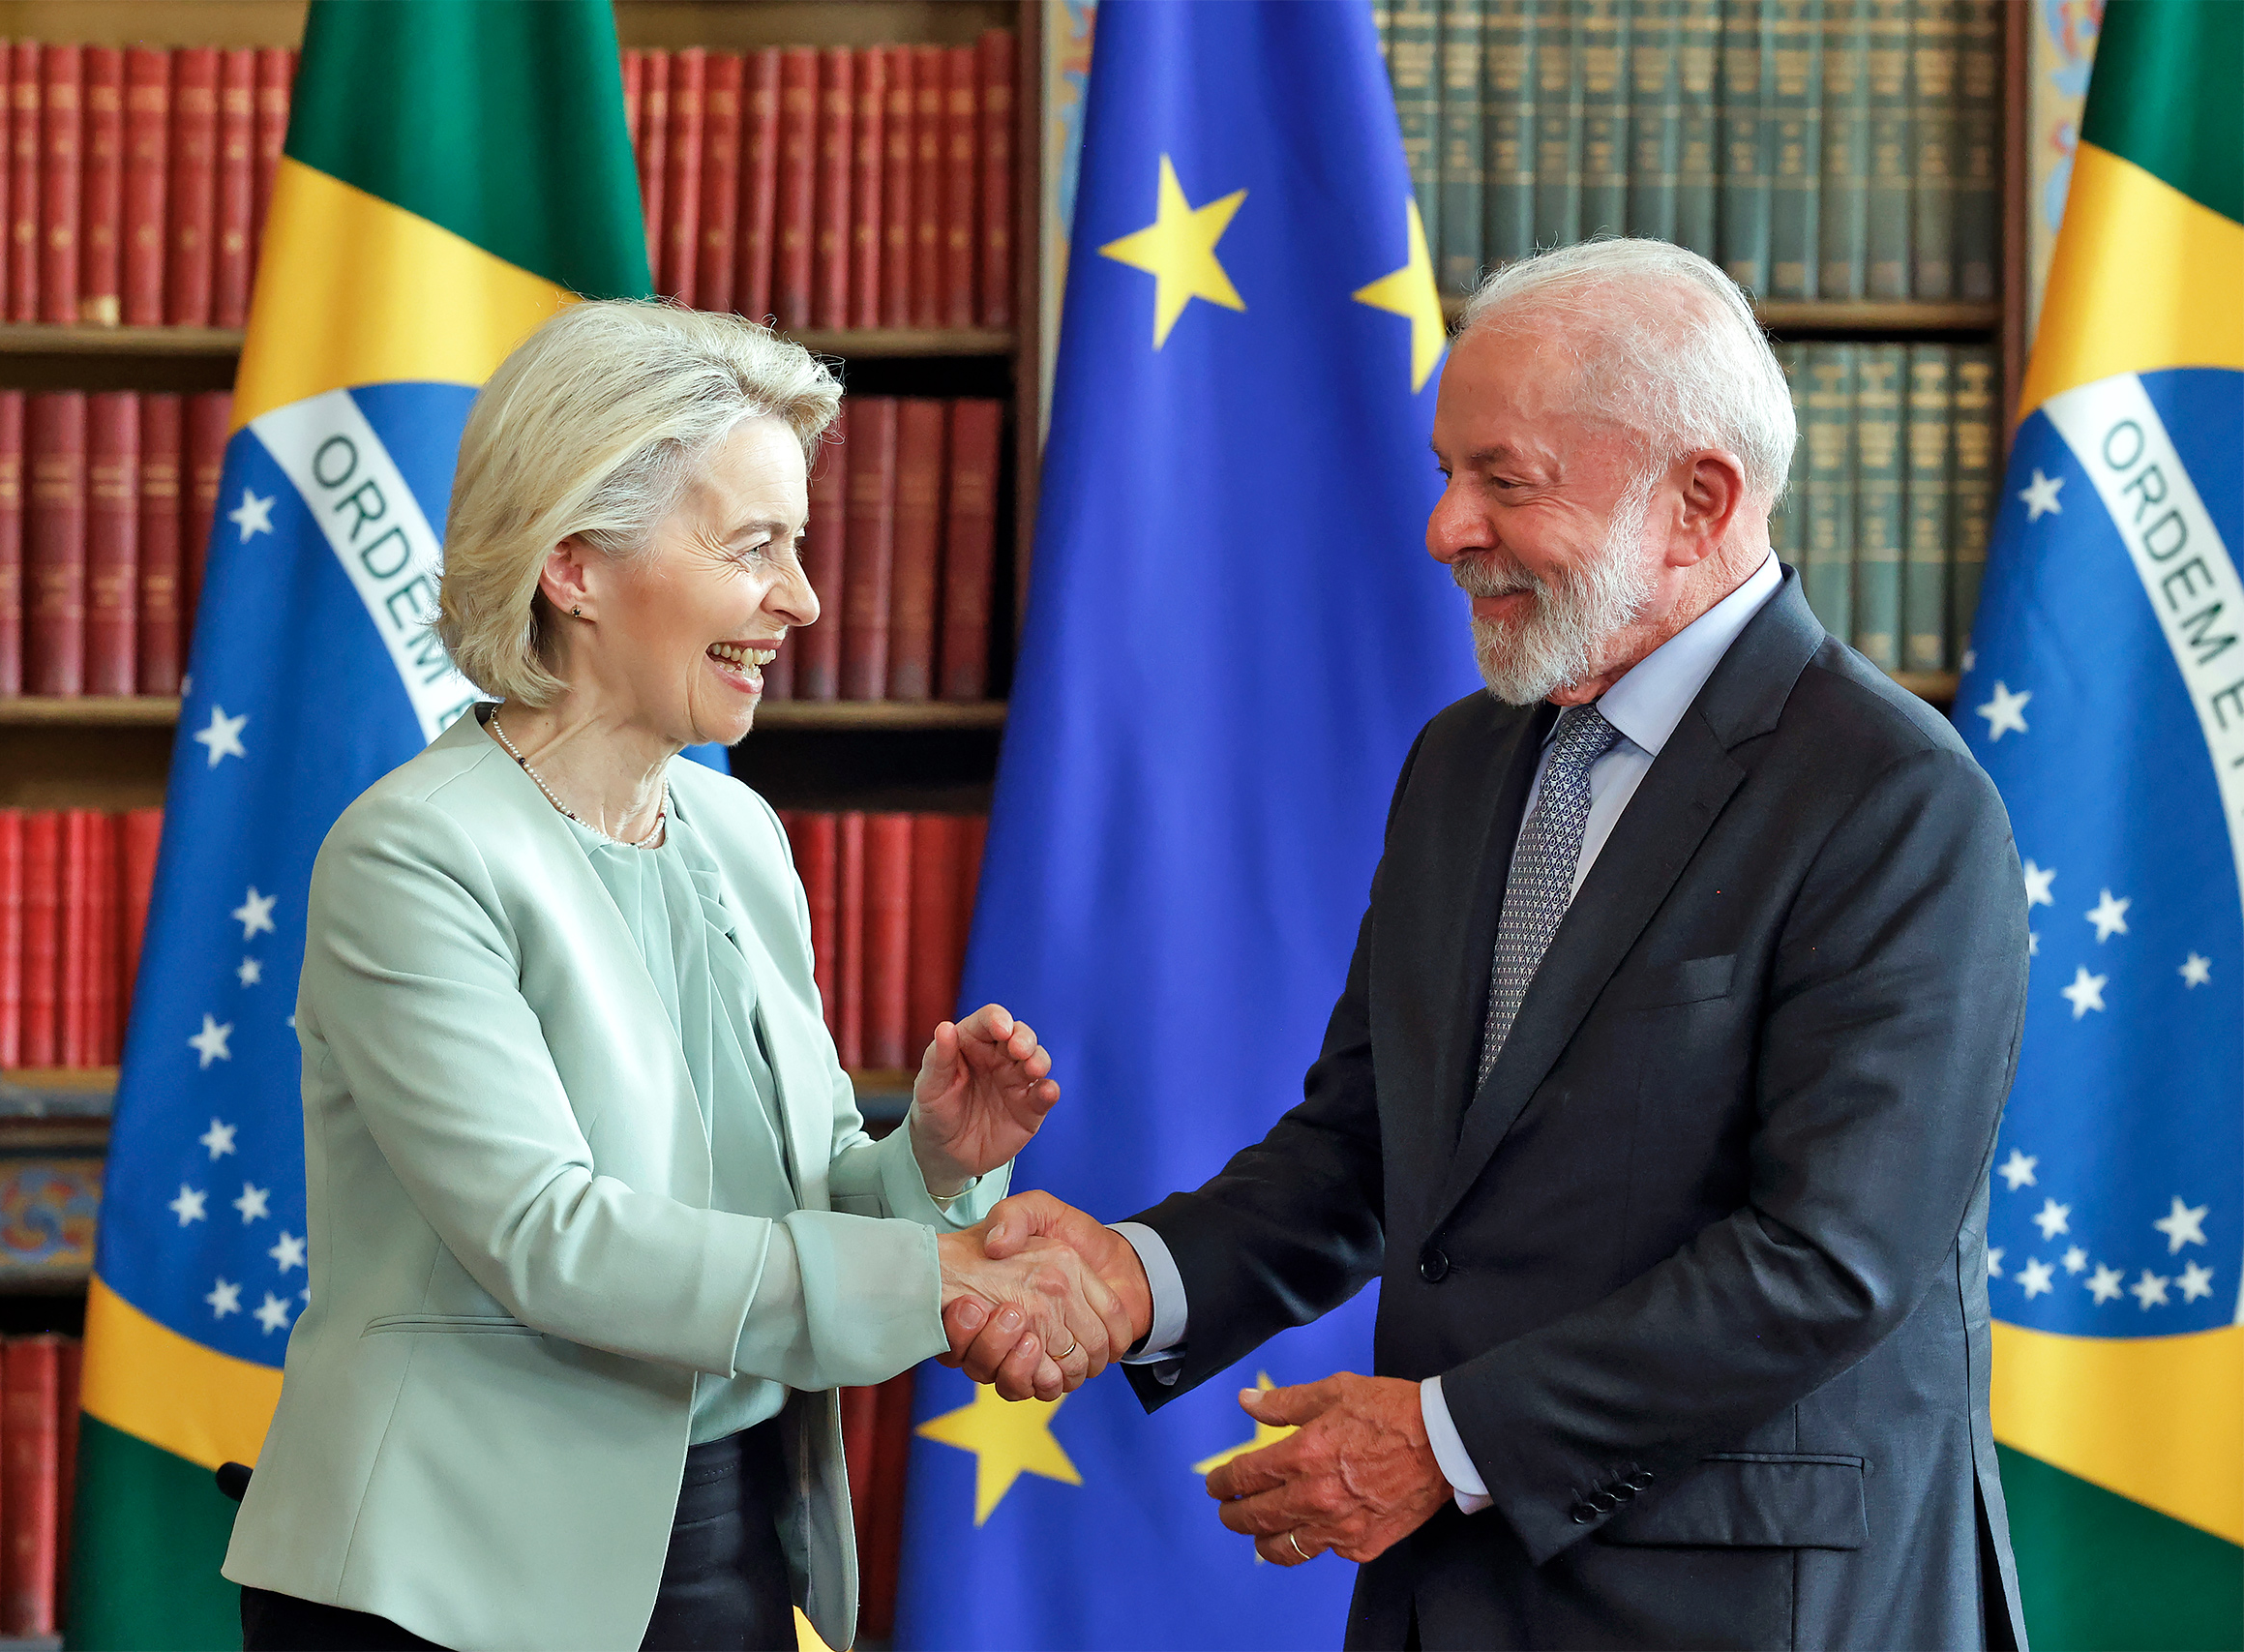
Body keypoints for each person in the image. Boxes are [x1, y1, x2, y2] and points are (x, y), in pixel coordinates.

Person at [953, 239, 2032, 1650]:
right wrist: (1135, 1278)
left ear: (1699, 502)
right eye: (1447, 473)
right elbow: (1372, 1142)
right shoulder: (1464, 762)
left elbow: (1829, 1259)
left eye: (1505, 483)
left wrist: (1445, 1441)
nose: (1444, 528)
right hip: (1451, 1598)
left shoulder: (1895, 799)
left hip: (1746, 1607)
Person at [222, 301, 1134, 1652]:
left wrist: (930, 1167)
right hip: (451, 1574)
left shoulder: (737, 832)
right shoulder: (413, 853)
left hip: (730, 1538)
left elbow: (793, 1202)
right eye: (754, 546)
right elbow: (551, 1240)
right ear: (573, 566)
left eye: (797, 548)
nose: (801, 599)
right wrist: (937, 1280)